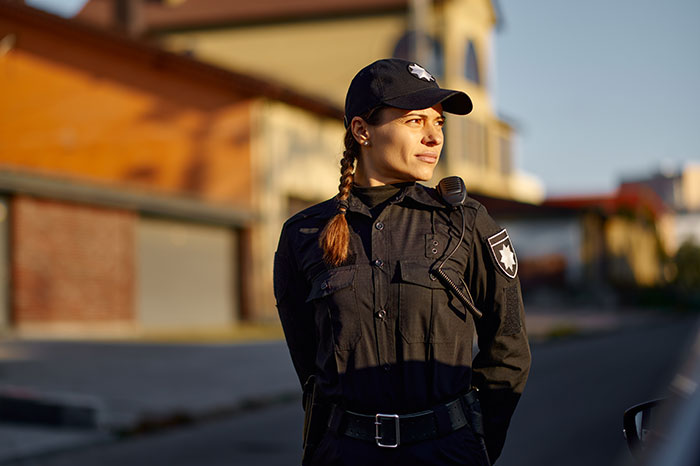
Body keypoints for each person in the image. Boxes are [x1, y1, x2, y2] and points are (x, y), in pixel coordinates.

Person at [274, 58, 530, 466]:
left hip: (447, 454)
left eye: (439, 123)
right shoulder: (303, 235)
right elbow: (310, 365)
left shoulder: (466, 223)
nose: (433, 138)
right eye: (415, 122)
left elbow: (508, 348)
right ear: (362, 130)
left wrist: (476, 443)